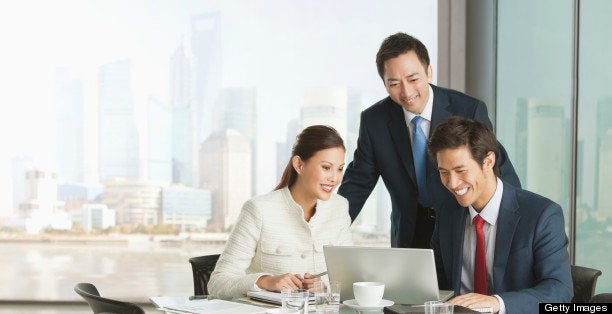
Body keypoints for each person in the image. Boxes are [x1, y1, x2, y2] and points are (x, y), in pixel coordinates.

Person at [338, 32, 521, 248]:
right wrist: (326, 230)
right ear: (385, 84)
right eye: (394, 83)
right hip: (409, 235)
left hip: (460, 228)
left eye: (413, 79)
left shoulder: (468, 110)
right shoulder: (374, 121)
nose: (406, 92)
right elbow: (358, 182)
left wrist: (516, 231)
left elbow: (497, 170)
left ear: (429, 72)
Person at [427, 116, 572, 313]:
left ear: (488, 161)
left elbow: (559, 291)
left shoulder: (542, 215)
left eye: (461, 170)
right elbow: (436, 280)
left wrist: (497, 303)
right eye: (444, 172)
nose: (452, 183)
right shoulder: (448, 213)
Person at [207, 125, 353, 299]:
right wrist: (265, 281)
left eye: (340, 169)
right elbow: (217, 284)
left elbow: (348, 278)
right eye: (326, 167)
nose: (335, 178)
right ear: (299, 164)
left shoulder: (339, 207)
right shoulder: (259, 209)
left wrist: (325, 287)